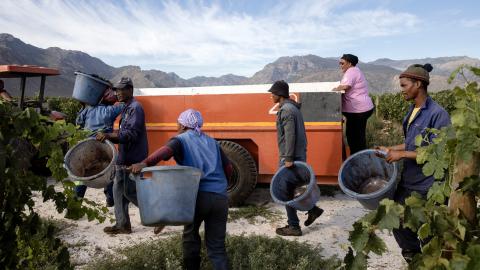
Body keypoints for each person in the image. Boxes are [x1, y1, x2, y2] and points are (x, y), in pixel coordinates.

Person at [130, 109, 232, 270]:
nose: (176, 125)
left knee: (191, 238)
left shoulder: (181, 139)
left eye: (178, 122)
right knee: (217, 247)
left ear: (184, 125)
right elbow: (228, 169)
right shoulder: (213, 142)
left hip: (197, 197)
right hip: (220, 199)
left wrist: (144, 163)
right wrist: (221, 186)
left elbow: (165, 152)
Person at [376, 64, 451, 262]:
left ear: (418, 84)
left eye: (404, 85)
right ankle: (411, 254)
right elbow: (411, 143)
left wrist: (402, 155)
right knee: (396, 217)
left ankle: (430, 260)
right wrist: (392, 149)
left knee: (428, 227)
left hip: (429, 184)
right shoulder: (412, 110)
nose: (401, 89)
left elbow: (439, 155)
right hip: (409, 179)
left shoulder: (438, 114)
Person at [268, 80, 324, 237]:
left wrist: (288, 158)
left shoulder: (286, 111)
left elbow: (290, 135)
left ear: (279, 95)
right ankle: (313, 209)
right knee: (295, 187)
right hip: (297, 155)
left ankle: (293, 226)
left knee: (285, 190)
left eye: (272, 93)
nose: (271, 96)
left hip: (291, 157)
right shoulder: (292, 108)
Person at [96, 77, 148, 234]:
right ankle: (122, 225)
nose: (117, 92)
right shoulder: (126, 107)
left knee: (128, 190)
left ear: (130, 90)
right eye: (116, 89)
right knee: (118, 190)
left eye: (120, 89)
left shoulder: (135, 108)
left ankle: (157, 214)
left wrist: (109, 136)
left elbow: (131, 134)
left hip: (133, 157)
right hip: (124, 156)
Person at [74, 87, 125, 207]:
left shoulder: (88, 109)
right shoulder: (111, 110)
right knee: (108, 171)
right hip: (103, 146)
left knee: (82, 175)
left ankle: (75, 204)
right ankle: (110, 200)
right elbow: (124, 105)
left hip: (86, 146)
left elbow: (78, 122)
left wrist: (85, 105)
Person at [334, 54, 374, 155]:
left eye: (342, 63)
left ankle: (358, 159)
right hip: (361, 109)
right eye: (340, 63)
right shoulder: (356, 70)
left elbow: (345, 86)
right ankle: (358, 157)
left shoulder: (351, 71)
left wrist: (332, 89)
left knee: (354, 137)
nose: (340, 65)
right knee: (356, 136)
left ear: (349, 63)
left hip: (358, 110)